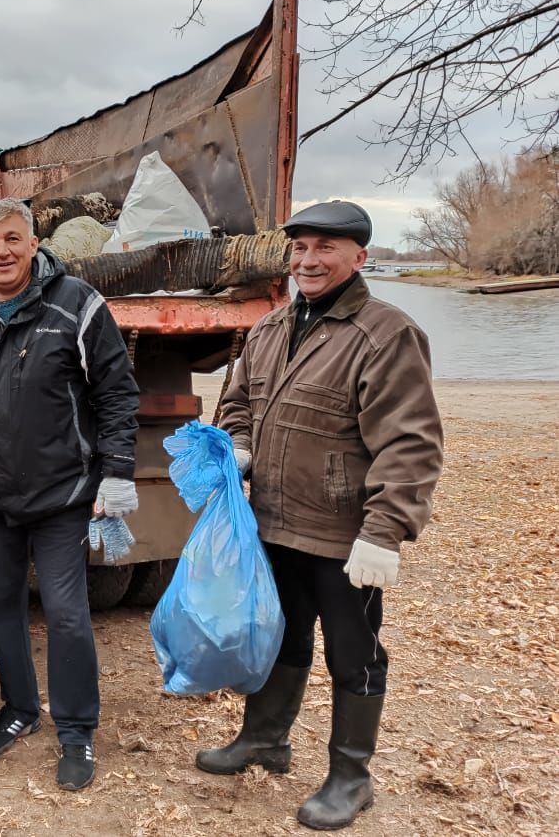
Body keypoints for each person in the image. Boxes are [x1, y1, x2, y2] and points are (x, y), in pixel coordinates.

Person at [201, 200, 444, 830]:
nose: (309, 261)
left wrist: (385, 531)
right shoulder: (272, 327)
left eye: (325, 249)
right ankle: (264, 739)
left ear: (358, 257)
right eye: (300, 248)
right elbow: (237, 402)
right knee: (279, 637)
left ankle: (350, 776)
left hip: (344, 535)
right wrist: (240, 448)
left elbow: (410, 442)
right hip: (273, 520)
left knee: (353, 652)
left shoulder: (386, 334)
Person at [0, 198, 140, 791]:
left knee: (67, 616)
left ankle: (76, 732)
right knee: (0, 609)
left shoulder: (78, 307)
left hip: (63, 495)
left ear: (35, 243)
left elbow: (117, 394)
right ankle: (20, 709)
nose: (3, 252)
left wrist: (116, 472)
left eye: (13, 239)